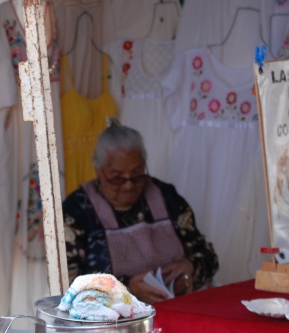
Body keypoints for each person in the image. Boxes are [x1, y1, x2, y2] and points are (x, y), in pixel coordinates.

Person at [63, 120, 218, 303]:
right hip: (112, 324)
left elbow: (209, 258)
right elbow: (69, 281)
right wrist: (125, 290)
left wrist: (188, 269)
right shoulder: (77, 210)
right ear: (98, 170)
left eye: (137, 175)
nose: (128, 185)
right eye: (117, 178)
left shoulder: (166, 196)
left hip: (177, 308)